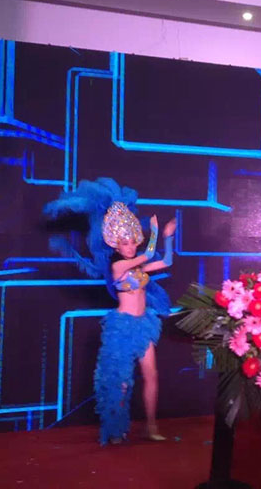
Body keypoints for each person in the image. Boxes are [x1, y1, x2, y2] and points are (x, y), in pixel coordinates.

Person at [44, 178, 175, 444]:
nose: (130, 247)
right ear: (116, 245)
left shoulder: (137, 266)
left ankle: (151, 426)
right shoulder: (117, 268)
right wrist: (153, 231)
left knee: (151, 375)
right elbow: (149, 255)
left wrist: (168, 237)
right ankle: (116, 430)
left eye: (132, 242)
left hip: (144, 325)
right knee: (120, 381)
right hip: (122, 326)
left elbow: (166, 260)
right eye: (125, 243)